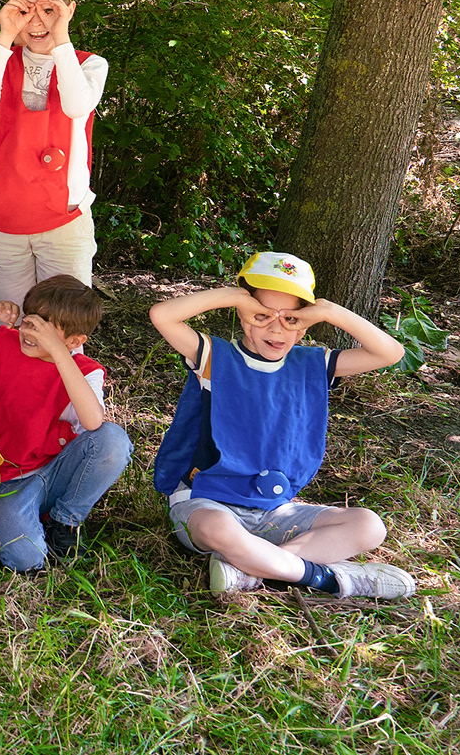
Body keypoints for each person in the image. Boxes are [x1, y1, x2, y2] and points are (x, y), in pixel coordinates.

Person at [147, 252, 415, 599]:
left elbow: (390, 353)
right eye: (261, 315)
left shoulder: (312, 364)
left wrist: (329, 311)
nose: (276, 329)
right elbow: (162, 315)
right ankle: (330, 579)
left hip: (275, 510)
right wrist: (234, 296)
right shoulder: (215, 356)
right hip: (205, 502)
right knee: (216, 529)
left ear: (306, 322)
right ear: (243, 313)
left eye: (290, 318)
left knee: (368, 525)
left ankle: (250, 569)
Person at [0, 276, 131, 571]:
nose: (29, 331)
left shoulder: (85, 371)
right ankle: (33, 521)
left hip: (56, 471)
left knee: (113, 440)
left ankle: (66, 520)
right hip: (6, 481)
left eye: (46, 329)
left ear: (75, 342)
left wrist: (59, 353)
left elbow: (92, 421)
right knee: (27, 559)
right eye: (29, 320)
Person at [0, 0, 108, 310]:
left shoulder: (89, 63)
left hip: (63, 218)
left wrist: (61, 39)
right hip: (7, 215)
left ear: (69, 10)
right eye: (25, 10)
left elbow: (77, 106)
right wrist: (4, 35)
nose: (37, 20)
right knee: (9, 317)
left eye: (49, 9)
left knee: (66, 320)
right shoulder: (3, 58)